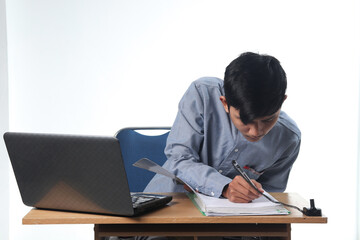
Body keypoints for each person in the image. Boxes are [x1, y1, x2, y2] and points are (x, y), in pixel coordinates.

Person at [145, 52, 301, 205]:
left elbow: (271, 196)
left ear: (282, 101)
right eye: (245, 120)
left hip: (229, 224)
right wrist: (224, 187)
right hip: (169, 205)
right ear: (225, 103)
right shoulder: (202, 94)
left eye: (268, 120)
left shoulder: (288, 139)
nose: (256, 132)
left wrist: (255, 194)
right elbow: (180, 158)